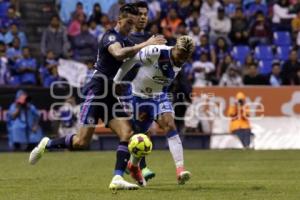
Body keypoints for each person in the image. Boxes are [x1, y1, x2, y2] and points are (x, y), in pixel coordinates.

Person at [29, 4, 166, 191]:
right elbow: (117, 54)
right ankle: (48, 143)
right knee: (81, 142)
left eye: (132, 25)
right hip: (96, 91)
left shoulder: (126, 42)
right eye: (127, 23)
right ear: (119, 20)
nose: (129, 28)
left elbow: (130, 62)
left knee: (127, 133)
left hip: (110, 95)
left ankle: (117, 177)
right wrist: (145, 44)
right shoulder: (111, 37)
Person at [114, 35, 195, 185]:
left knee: (170, 125)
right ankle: (133, 165)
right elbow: (131, 60)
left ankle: (180, 169)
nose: (182, 59)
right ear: (175, 47)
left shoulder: (181, 60)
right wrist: (117, 80)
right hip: (138, 97)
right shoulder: (156, 51)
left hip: (159, 97)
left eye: (186, 57)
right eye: (180, 55)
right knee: (142, 136)